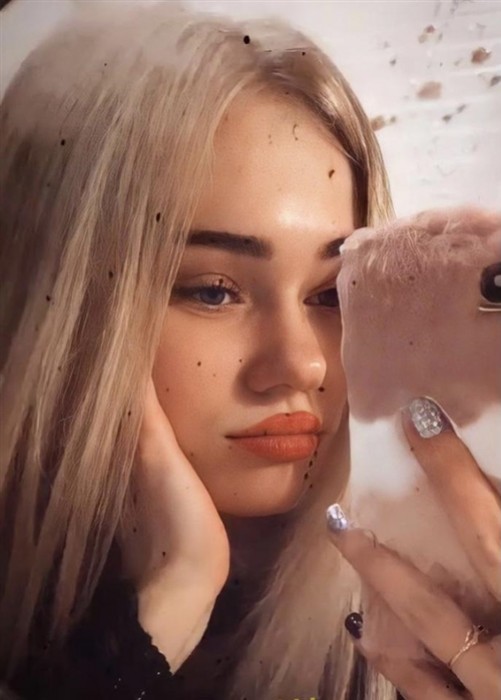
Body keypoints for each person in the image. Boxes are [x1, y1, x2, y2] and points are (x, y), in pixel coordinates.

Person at [1, 3, 499, 700]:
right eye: (213, 292)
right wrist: (167, 606)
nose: (304, 365)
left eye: (331, 295)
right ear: (67, 310)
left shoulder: (429, 636)